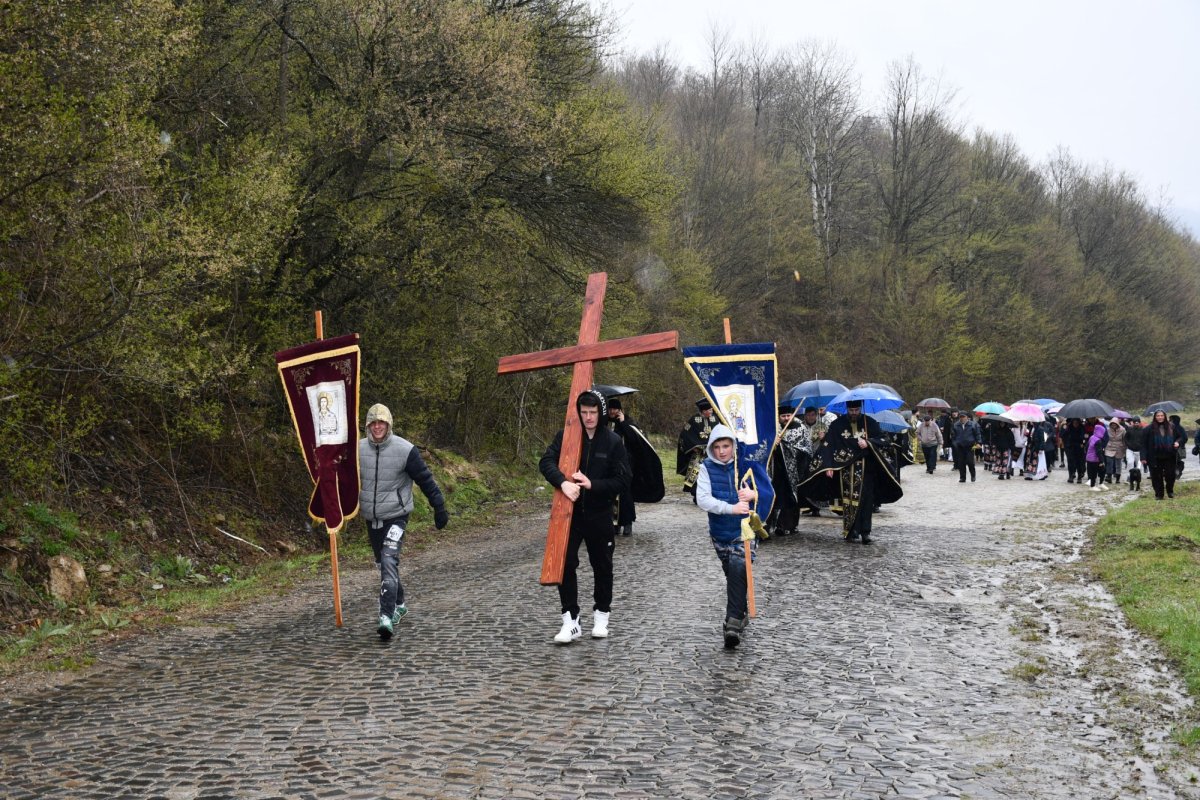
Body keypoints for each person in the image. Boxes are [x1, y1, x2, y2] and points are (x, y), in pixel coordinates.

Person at [540, 390, 631, 643]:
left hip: (600, 514)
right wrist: (562, 483)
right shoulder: (566, 436)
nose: (588, 417)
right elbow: (546, 462)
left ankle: (602, 615)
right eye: (584, 412)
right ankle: (570, 620)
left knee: (602, 565)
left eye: (593, 412)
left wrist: (593, 485)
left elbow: (623, 480)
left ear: (601, 413)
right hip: (569, 515)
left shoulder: (613, 441)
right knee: (566, 563)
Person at [359, 403, 450, 641]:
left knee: (389, 559)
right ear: (367, 426)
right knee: (383, 563)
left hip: (396, 515)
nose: (377, 427)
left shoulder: (405, 450)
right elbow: (344, 480)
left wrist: (439, 506)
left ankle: (385, 616)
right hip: (372, 517)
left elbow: (425, 479)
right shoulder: (358, 450)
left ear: (389, 424)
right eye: (373, 423)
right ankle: (399, 603)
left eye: (381, 422)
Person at [696, 424, 774, 649]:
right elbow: (703, 499)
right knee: (733, 574)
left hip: (745, 532)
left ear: (733, 445)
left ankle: (732, 624)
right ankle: (741, 611)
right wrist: (731, 508)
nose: (722, 451)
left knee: (739, 567)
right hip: (720, 533)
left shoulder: (748, 464)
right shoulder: (706, 468)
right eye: (717, 447)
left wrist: (753, 494)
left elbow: (769, 491)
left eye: (726, 446)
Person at [799, 399, 902, 544]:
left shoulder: (870, 422)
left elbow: (884, 440)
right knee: (848, 500)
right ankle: (851, 530)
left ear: (860, 408)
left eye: (856, 410)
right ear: (847, 409)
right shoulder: (838, 424)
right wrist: (828, 466)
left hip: (866, 468)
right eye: (851, 410)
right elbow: (829, 445)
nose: (854, 413)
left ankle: (865, 532)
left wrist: (869, 442)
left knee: (866, 500)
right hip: (845, 468)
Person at [767, 405, 802, 536]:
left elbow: (804, 448)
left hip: (792, 471)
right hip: (775, 469)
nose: (786, 418)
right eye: (783, 416)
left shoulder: (799, 428)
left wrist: (782, 444)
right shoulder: (773, 428)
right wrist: (773, 443)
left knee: (790, 498)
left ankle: (786, 525)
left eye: (789, 415)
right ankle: (768, 526)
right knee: (774, 497)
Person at [605, 397, 638, 536]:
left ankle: (627, 522)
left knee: (626, 494)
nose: (612, 411)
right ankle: (615, 523)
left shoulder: (627, 421)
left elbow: (634, 439)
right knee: (612, 494)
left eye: (615, 409)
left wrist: (623, 423)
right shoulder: (605, 422)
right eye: (610, 409)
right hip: (609, 464)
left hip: (625, 464)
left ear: (620, 410)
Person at [676, 399, 716, 500]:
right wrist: (694, 447)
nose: (711, 411)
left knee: (712, 473)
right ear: (704, 411)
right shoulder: (694, 420)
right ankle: (696, 494)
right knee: (696, 473)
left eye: (711, 410)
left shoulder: (715, 419)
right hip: (698, 454)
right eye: (709, 410)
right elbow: (685, 434)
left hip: (712, 453)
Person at [1141, 410, 1185, 500]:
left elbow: (1181, 437)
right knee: (1156, 476)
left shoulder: (1172, 427)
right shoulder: (1148, 429)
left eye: (1162, 415)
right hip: (1154, 456)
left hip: (1169, 455)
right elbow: (1143, 444)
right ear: (1155, 417)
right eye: (1158, 416)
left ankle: (1170, 491)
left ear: (1165, 416)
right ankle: (1159, 494)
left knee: (1170, 475)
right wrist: (1143, 457)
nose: (1160, 417)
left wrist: (1178, 442)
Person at [951, 411, 980, 482]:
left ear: (967, 417)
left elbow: (977, 434)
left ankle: (973, 475)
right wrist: (955, 444)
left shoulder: (973, 424)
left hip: (970, 446)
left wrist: (978, 443)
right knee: (961, 463)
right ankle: (962, 477)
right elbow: (953, 436)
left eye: (963, 417)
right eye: (960, 417)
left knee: (970, 462)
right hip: (960, 446)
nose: (962, 418)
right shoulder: (956, 425)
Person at [1085, 418, 1109, 490]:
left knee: (1094, 472)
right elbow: (1099, 451)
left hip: (1089, 458)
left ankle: (1099, 484)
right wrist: (1101, 461)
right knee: (1098, 472)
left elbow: (1087, 447)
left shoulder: (1092, 437)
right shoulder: (1098, 440)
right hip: (1095, 459)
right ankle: (1093, 486)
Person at [1063, 418, 1087, 483]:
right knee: (1071, 462)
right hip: (1071, 447)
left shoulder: (1082, 428)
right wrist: (1067, 444)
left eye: (1077, 423)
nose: (1075, 424)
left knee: (1079, 463)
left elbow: (1085, 437)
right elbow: (1064, 436)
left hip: (1079, 447)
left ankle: (1079, 477)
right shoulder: (1069, 428)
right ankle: (1070, 476)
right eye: (1074, 423)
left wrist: (1083, 443)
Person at [1102, 419, 1126, 485]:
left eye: (1115, 424)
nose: (1113, 425)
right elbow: (1105, 438)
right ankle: (1109, 477)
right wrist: (1104, 446)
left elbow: (1124, 439)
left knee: (1118, 463)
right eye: (1112, 424)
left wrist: (1124, 448)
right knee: (1109, 462)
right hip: (1109, 447)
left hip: (1119, 447)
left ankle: (1118, 478)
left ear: (1117, 424)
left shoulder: (1123, 430)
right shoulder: (1108, 430)